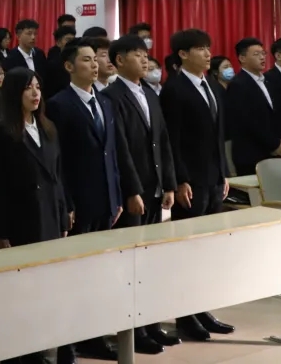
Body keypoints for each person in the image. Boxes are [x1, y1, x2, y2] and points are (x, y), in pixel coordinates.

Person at [45, 39, 123, 362]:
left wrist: (116, 195)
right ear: (69, 66)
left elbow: (111, 153)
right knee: (74, 277)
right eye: (87, 60)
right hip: (78, 203)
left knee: (98, 274)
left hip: (106, 199)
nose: (94, 65)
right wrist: (67, 204)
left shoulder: (104, 101)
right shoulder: (58, 105)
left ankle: (94, 337)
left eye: (96, 59)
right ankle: (68, 343)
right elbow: (58, 162)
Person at [0, 67, 69, 364]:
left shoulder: (48, 127)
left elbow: (58, 176)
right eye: (27, 88)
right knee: (21, 293)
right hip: (21, 220)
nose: (35, 93)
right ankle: (19, 355)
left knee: (45, 291)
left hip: (49, 216)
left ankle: (40, 351)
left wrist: (63, 215)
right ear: (14, 93)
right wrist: (1, 230)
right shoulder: (1, 131)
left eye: (37, 87)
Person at [103, 35, 180, 351]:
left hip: (155, 188)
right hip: (134, 193)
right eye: (137, 54)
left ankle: (151, 325)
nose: (145, 60)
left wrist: (169, 183)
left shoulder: (149, 92)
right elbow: (120, 149)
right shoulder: (111, 96)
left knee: (150, 263)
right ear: (120, 60)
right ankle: (132, 333)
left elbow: (163, 140)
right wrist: (132, 190)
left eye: (146, 54)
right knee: (131, 267)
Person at [160, 29, 233, 341]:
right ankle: (186, 316)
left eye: (208, 48)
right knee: (187, 252)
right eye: (200, 49)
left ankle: (202, 309)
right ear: (183, 54)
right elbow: (171, 141)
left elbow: (218, 136)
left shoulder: (211, 86)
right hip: (190, 182)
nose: (207, 54)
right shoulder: (174, 90)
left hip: (213, 179)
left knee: (206, 251)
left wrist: (223, 173)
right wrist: (179, 180)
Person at [227, 37, 281, 176]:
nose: (262, 57)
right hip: (251, 155)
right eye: (256, 54)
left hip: (273, 153)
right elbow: (248, 121)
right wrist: (275, 144)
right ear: (242, 58)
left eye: (263, 53)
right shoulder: (238, 85)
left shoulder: (267, 81)